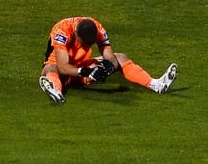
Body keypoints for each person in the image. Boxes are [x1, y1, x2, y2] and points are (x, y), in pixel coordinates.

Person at [39, 16, 177, 104]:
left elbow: (110, 56)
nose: (87, 47)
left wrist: (108, 67)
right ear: (75, 34)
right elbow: (63, 66)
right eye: (84, 43)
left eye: (90, 43)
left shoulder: (98, 28)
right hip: (62, 73)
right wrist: (85, 72)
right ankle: (56, 90)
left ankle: (156, 85)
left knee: (120, 57)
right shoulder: (61, 31)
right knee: (50, 68)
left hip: (83, 68)